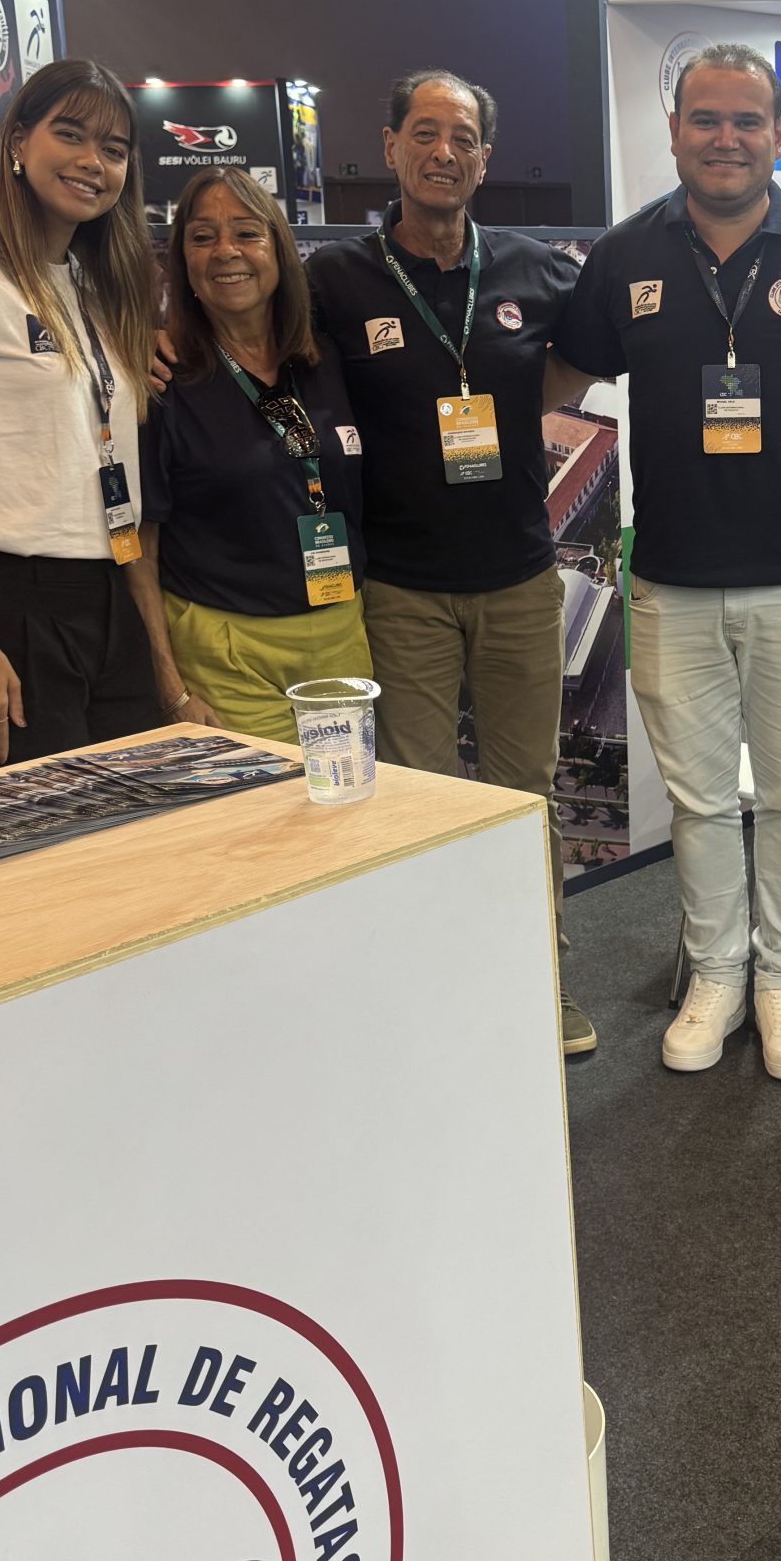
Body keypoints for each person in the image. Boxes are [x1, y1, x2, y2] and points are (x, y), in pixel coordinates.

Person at [554, 42, 781, 1082]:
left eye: (747, 120)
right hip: (669, 576)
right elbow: (560, 375)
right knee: (701, 800)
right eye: (705, 118)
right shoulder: (626, 253)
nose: (725, 138)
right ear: (674, 132)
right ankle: (716, 973)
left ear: (778, 134)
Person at [303, 70, 599, 1058]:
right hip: (401, 587)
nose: (443, 152)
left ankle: (536, 977)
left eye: (462, 137)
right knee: (421, 794)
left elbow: (582, 356)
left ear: (485, 158)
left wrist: (511, 405)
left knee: (523, 795)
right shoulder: (337, 279)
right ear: (389, 146)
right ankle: (437, 989)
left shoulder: (534, 269)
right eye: (424, 133)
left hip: (518, 577)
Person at [0, 57, 160, 776]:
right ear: (17, 142)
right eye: (70, 134)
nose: (93, 162)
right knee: (36, 836)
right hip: (10, 601)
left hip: (109, 593)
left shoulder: (93, 286)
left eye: (113, 149)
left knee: (133, 827)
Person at [130, 169, 370, 741]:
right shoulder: (162, 380)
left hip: (338, 632)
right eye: (202, 236)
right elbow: (139, 546)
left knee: (346, 797)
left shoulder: (325, 359)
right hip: (226, 653)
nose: (225, 251)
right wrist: (169, 685)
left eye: (246, 232)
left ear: (278, 250)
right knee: (266, 800)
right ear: (183, 262)